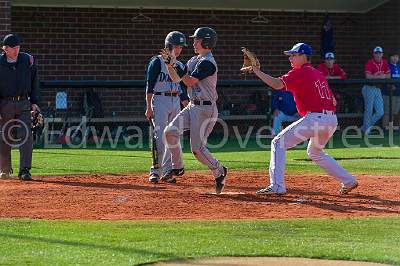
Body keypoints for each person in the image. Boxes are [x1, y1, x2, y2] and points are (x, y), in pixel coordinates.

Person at [250, 42, 358, 195]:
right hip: (331, 120)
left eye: (294, 55)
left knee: (278, 143)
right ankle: (349, 181)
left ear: (304, 57)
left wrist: (257, 71)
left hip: (316, 118)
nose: (290, 58)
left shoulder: (301, 72)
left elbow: (276, 84)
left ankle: (277, 186)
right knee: (315, 152)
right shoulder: (318, 74)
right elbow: (333, 100)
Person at [163, 27, 227, 194]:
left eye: (196, 40)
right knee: (170, 131)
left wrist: (175, 64)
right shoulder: (193, 60)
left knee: (197, 150)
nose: (193, 43)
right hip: (193, 105)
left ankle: (219, 170)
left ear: (206, 42)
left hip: (206, 109)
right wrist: (171, 65)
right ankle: (177, 168)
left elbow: (190, 81)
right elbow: (178, 79)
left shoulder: (208, 63)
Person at [145, 31, 189, 184]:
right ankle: (155, 171)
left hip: (175, 100)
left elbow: (183, 89)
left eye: (181, 47)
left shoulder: (180, 65)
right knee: (159, 137)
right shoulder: (157, 62)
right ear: (169, 45)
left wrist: (187, 106)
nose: (179, 50)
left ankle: (167, 171)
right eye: (176, 46)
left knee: (173, 136)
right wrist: (148, 106)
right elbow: (150, 85)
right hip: (160, 99)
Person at [0, 33, 40, 180]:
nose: (16, 50)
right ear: (5, 49)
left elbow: (35, 81)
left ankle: (24, 170)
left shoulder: (27, 60)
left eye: (18, 47)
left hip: (24, 101)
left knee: (26, 135)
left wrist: (34, 102)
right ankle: (4, 169)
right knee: (5, 136)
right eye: (12, 47)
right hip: (5, 103)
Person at [361, 46, 391, 134]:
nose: (378, 55)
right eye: (376, 53)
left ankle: (365, 127)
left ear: (382, 54)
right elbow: (368, 77)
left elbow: (389, 76)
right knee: (369, 110)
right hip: (368, 88)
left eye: (380, 53)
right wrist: (379, 76)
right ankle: (366, 130)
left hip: (377, 89)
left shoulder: (384, 62)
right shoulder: (370, 63)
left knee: (380, 112)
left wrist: (383, 76)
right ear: (373, 54)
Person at [382, 52, 400, 128]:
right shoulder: (387, 66)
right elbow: (383, 79)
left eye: (397, 56)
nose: (395, 58)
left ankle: (390, 128)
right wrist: (389, 85)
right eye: (393, 56)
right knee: (387, 112)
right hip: (388, 93)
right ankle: (384, 128)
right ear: (390, 57)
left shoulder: (399, 67)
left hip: (398, 93)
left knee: (394, 112)